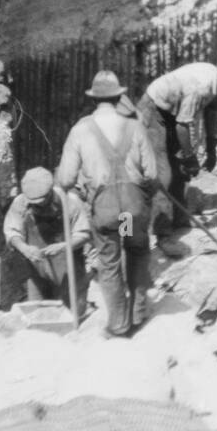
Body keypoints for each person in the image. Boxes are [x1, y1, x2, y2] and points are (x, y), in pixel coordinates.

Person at [57, 70, 158, 338]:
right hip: (132, 209)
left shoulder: (80, 130)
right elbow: (152, 174)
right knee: (135, 252)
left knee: (110, 263)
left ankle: (118, 324)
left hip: (106, 209)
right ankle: (137, 314)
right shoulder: (134, 126)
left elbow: (65, 179)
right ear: (118, 98)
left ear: (94, 99)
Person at [136, 57, 217, 248]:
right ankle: (162, 233)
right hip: (154, 111)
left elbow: (211, 115)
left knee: (179, 170)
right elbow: (183, 125)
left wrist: (211, 149)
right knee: (164, 173)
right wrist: (190, 158)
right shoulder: (202, 86)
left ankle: (180, 220)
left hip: (173, 112)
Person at [3, 167, 91, 313]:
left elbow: (84, 234)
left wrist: (63, 246)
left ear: (50, 193)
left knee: (69, 313)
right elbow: (12, 231)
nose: (36, 207)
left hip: (68, 268)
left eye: (40, 203)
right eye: (33, 203)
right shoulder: (20, 202)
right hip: (37, 268)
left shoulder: (70, 201)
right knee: (35, 313)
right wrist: (24, 248)